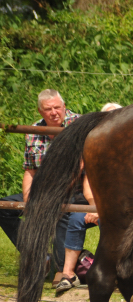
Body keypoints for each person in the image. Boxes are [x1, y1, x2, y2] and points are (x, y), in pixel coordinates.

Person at [0, 89, 80, 274]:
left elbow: (80, 167)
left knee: (60, 210)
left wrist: (57, 194)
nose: (54, 112)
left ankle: (61, 269)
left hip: (74, 191)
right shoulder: (34, 131)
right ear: (40, 111)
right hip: (42, 189)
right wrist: (28, 198)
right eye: (48, 109)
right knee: (4, 207)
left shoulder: (78, 125)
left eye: (57, 108)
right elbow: (30, 170)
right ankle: (39, 257)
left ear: (64, 106)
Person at [56, 103, 122, 295]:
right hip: (99, 204)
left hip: (119, 205)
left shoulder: (127, 149)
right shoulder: (95, 146)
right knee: (76, 218)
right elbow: (88, 182)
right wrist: (94, 206)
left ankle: (112, 272)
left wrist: (102, 210)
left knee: (108, 222)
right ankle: (68, 273)